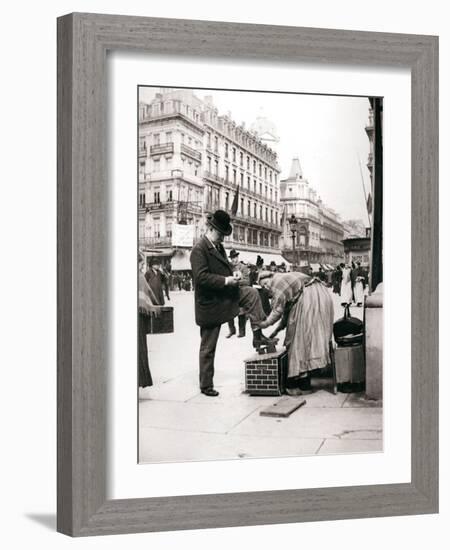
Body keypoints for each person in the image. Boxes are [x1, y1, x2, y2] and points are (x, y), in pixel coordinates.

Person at [190, 210, 275, 397]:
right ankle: (205, 385)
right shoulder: (199, 250)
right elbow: (201, 277)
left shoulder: (218, 247)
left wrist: (234, 273)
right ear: (211, 229)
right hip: (210, 302)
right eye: (220, 233)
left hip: (225, 295)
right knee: (208, 347)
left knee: (252, 293)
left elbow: (226, 266)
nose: (222, 238)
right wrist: (226, 280)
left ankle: (258, 335)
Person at [257, 271, 334, 395]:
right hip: (320, 296)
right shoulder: (285, 279)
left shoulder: (277, 281)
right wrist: (277, 329)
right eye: (263, 286)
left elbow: (278, 310)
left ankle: (296, 382)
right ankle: (305, 382)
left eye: (265, 283)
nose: (266, 287)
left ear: (270, 277)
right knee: (309, 340)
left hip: (310, 299)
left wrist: (264, 324)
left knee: (299, 342)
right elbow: (287, 311)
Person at [138, 252, 161, 396]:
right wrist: (157, 307)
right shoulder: (139, 276)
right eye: (141, 263)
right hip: (138, 319)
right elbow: (147, 295)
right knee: (139, 351)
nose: (142, 266)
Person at [226, 249, 250, 338]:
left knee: (241, 312)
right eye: (232, 258)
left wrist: (237, 282)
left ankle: (241, 331)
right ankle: (232, 330)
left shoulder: (243, 267)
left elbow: (247, 281)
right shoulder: (229, 268)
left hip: (240, 292)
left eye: (235, 257)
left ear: (238, 257)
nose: (234, 260)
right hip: (231, 293)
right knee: (229, 311)